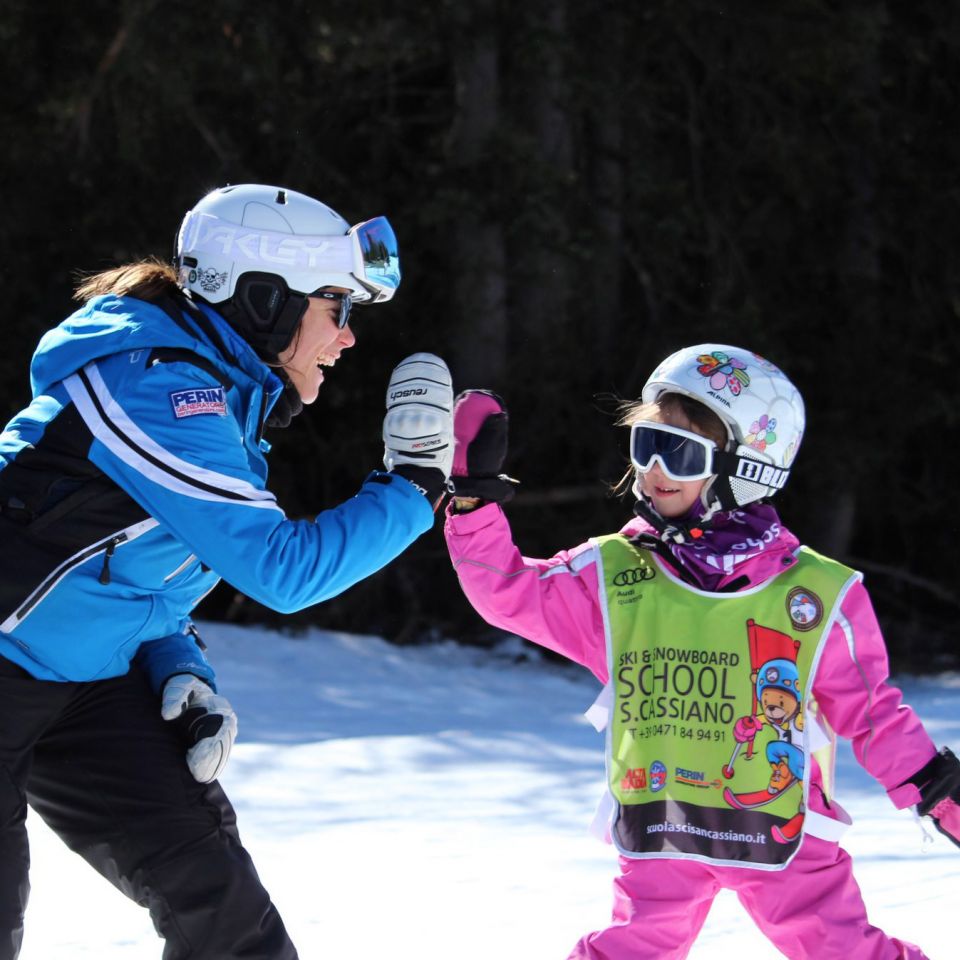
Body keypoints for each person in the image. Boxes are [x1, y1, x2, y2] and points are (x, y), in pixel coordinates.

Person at [0, 183, 455, 960]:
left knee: (226, 917)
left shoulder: (216, 399)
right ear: (266, 300)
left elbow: (117, 565)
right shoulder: (157, 389)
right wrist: (415, 487)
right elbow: (282, 571)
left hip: (80, 683)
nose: (346, 337)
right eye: (337, 306)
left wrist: (177, 663)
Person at [443, 344, 960, 960]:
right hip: (663, 824)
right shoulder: (615, 575)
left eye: (681, 452)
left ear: (747, 470)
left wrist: (936, 789)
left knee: (842, 949)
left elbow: (873, 716)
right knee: (628, 950)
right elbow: (507, 592)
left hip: (780, 831)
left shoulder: (816, 594)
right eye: (646, 445)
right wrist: (472, 499)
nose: (654, 468)